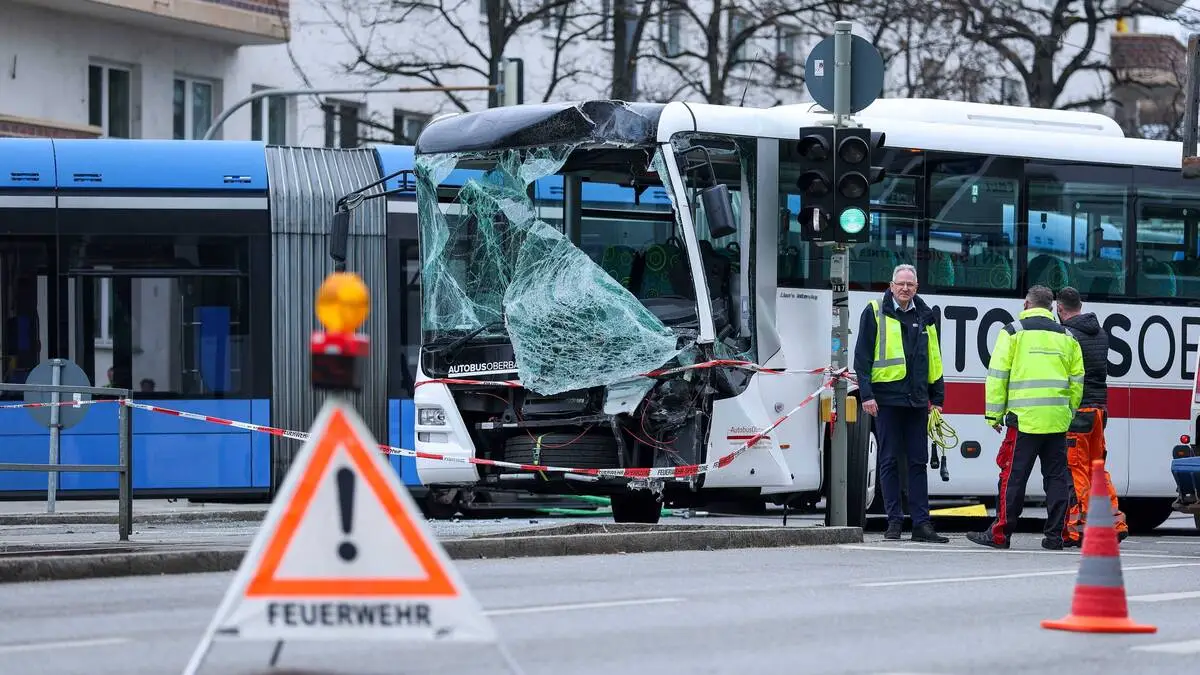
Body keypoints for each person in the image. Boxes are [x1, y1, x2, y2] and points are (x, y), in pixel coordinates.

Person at [967, 285, 1084, 550]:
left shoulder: (1012, 332)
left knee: (1013, 477)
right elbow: (1077, 380)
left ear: (1026, 304)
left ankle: (1000, 535)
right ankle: (1055, 536)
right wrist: (1069, 411)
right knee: (1057, 479)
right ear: (1051, 307)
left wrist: (994, 415)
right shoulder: (1067, 336)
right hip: (1056, 420)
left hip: (1023, 420)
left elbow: (998, 376)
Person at [854, 264, 949, 543]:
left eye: (910, 284)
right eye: (901, 284)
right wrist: (866, 395)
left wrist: (937, 398)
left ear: (916, 287)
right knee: (889, 461)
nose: (905, 288)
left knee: (918, 463)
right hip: (887, 400)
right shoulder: (874, 311)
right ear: (891, 285)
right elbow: (862, 357)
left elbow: (935, 358)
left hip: (917, 400)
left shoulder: (926, 315)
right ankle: (893, 522)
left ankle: (921, 525)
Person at [1054, 286, 1128, 545]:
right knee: (1097, 469)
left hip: (1080, 411)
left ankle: (1081, 528)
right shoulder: (1101, 333)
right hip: (1099, 411)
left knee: (1076, 471)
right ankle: (1115, 523)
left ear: (1060, 308)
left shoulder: (1067, 335)